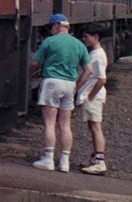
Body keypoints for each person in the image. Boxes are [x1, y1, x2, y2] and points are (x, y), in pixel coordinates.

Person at [29, 13, 93, 173]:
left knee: (50, 123)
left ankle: (48, 159)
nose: (51, 30)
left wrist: (29, 74)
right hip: (70, 84)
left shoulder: (50, 41)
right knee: (65, 125)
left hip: (52, 82)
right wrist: (77, 86)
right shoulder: (79, 45)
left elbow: (35, 63)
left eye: (51, 26)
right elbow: (89, 70)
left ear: (57, 25)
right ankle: (65, 162)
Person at [76, 25, 110, 174]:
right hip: (93, 95)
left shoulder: (98, 55)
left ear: (95, 37)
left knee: (95, 127)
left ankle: (100, 162)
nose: (84, 40)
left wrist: (91, 95)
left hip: (94, 96)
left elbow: (102, 79)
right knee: (93, 126)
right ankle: (95, 158)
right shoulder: (96, 53)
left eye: (86, 36)